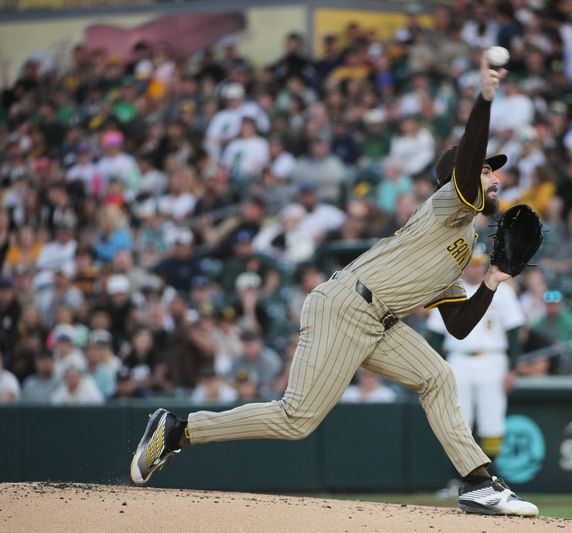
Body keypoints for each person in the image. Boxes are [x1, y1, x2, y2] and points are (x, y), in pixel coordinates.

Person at [130, 52, 539, 517]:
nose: (497, 177)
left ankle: (477, 483)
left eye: (493, 169)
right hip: (347, 306)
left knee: (437, 376)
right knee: (296, 420)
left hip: (375, 321)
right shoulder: (451, 202)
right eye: (489, 169)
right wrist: (483, 101)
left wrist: (491, 281)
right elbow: (467, 162)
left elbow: (460, 326)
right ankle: (177, 430)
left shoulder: (463, 242)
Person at [426, 251, 525, 461]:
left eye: (479, 264)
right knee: (459, 422)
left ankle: (491, 478)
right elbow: (435, 335)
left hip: (493, 358)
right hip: (458, 358)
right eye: (471, 264)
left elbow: (514, 331)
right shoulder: (449, 291)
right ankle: (460, 477)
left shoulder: (503, 291)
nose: (476, 268)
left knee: (492, 420)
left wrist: (513, 368)